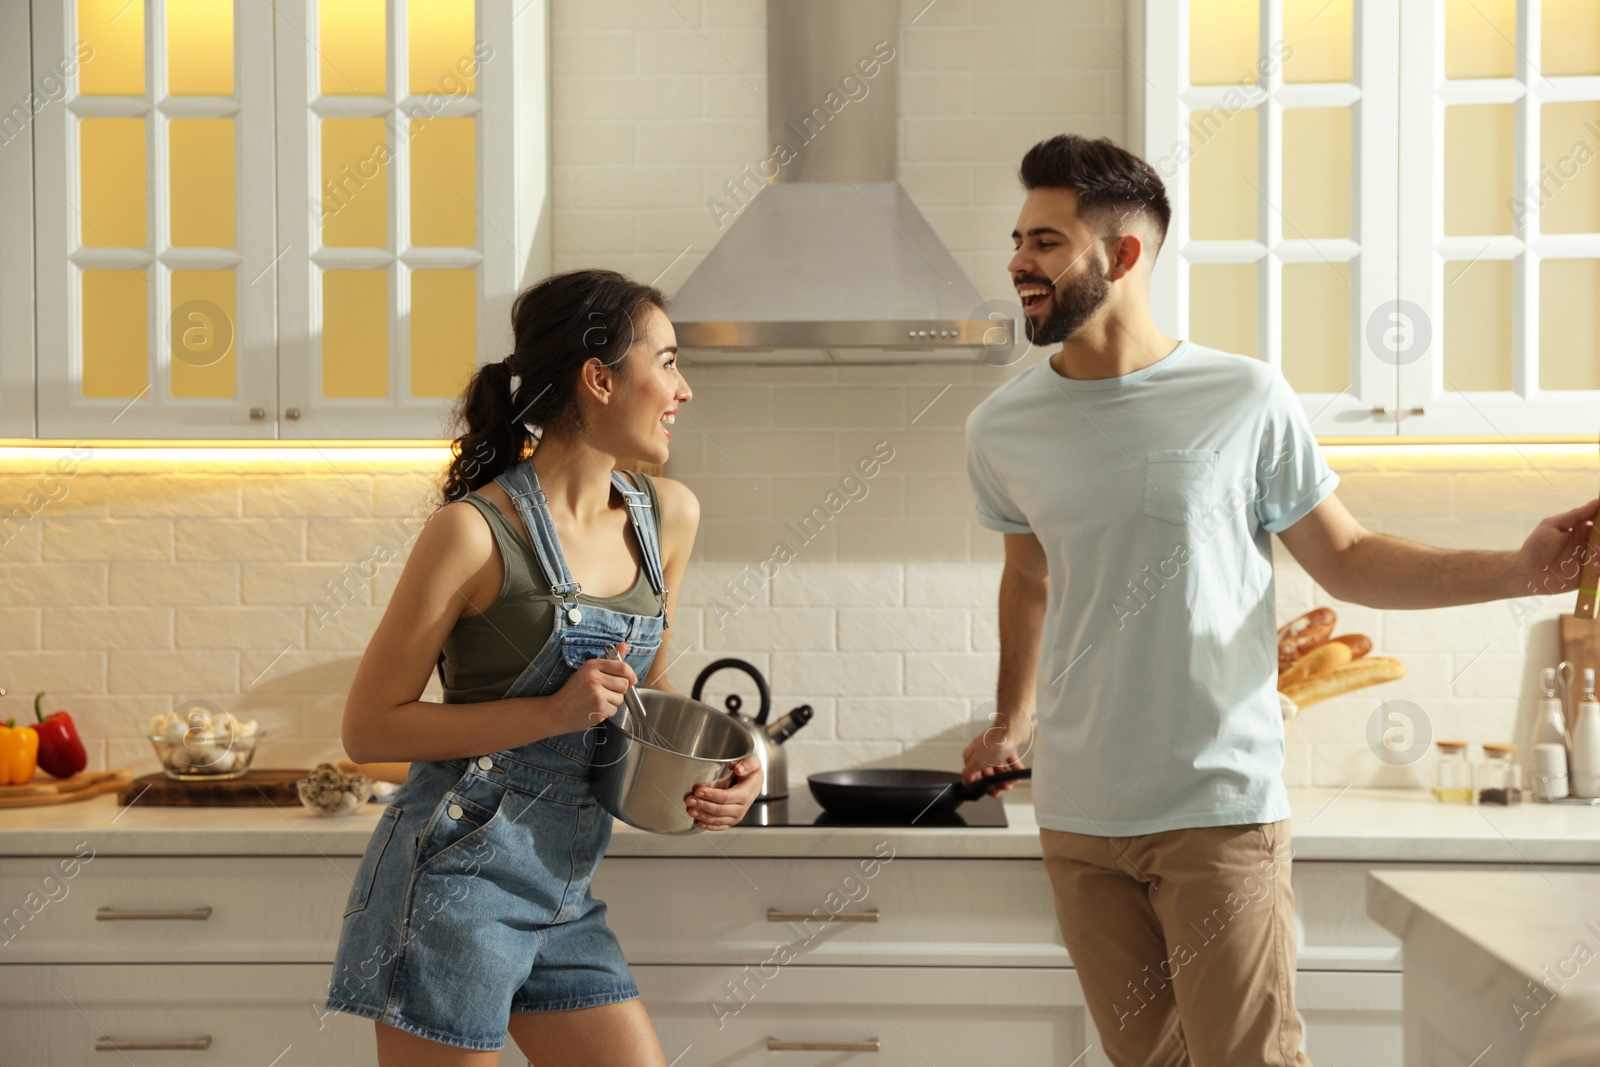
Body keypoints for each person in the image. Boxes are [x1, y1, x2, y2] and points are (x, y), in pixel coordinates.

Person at [960, 134, 1598, 1067]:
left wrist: (1518, 569)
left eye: (1047, 242)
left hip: (1215, 807)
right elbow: (1030, 575)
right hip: (1080, 818)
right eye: (1018, 238)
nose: (1019, 261)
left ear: (1125, 255)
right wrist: (1011, 717)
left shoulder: (1241, 396)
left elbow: (1348, 558)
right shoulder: (1000, 425)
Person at [326, 269, 762, 1065]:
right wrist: (552, 713)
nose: (684, 389)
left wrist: (738, 762)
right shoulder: (472, 532)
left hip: (563, 892)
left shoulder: (668, 515)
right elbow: (368, 726)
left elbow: (648, 689)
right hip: (453, 887)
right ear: (599, 379)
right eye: (666, 362)